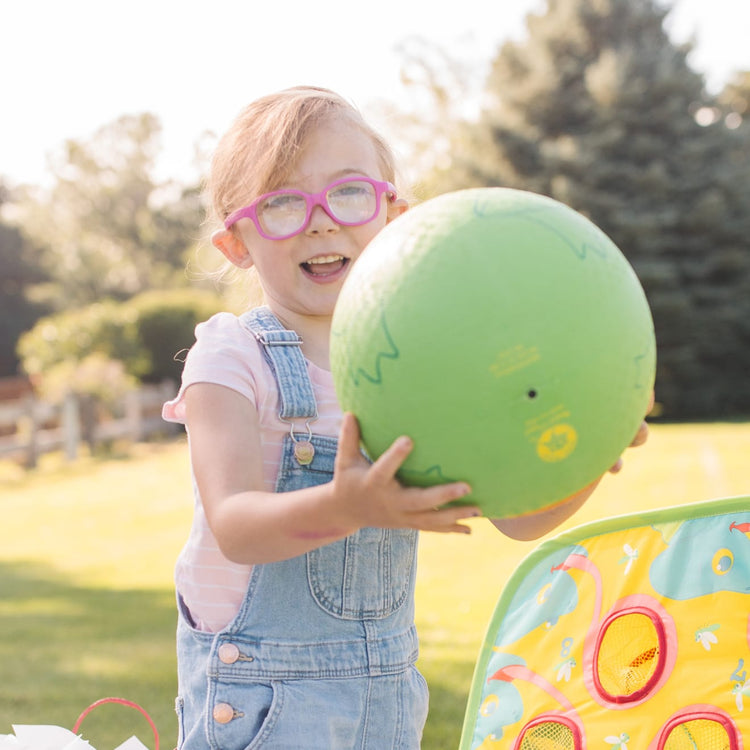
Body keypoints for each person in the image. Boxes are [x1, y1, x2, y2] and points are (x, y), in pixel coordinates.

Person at [163, 86, 650, 750]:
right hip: (264, 701)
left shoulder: (428, 368)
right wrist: (350, 505)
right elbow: (237, 526)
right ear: (235, 243)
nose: (321, 221)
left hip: (385, 696)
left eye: (349, 192)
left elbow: (514, 516)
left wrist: (592, 450)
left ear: (395, 213)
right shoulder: (232, 355)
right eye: (281, 203)